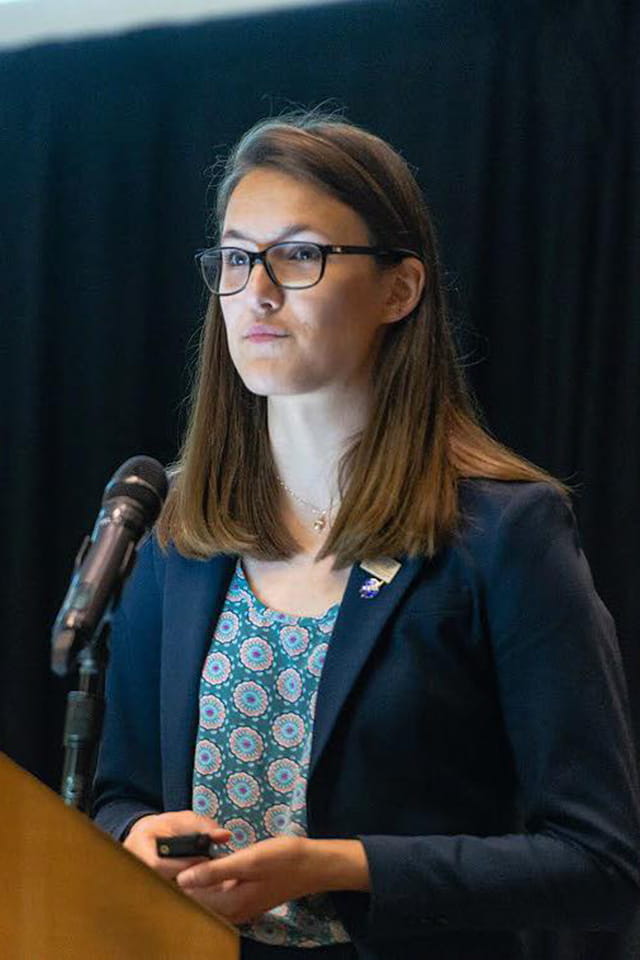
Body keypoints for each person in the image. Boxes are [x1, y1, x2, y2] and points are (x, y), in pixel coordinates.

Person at [91, 112, 640, 960]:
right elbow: (120, 794)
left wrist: (339, 867)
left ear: (400, 290)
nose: (258, 292)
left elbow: (599, 861)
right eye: (236, 259)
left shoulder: (504, 534)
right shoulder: (175, 534)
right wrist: (133, 835)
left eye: (300, 254)